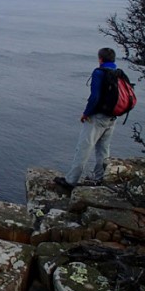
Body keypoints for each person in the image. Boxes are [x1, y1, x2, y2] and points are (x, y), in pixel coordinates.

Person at [54, 47, 118, 189]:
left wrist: (86, 113)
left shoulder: (99, 72)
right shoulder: (118, 73)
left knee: (84, 148)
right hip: (112, 117)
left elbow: (94, 96)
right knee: (103, 149)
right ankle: (101, 178)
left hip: (98, 117)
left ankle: (71, 180)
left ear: (100, 59)